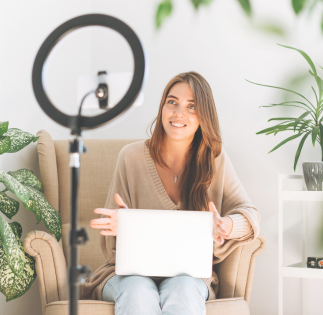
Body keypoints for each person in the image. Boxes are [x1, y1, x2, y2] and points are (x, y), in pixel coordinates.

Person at [81, 71, 261, 315]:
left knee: (182, 288)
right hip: (127, 276)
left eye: (191, 106)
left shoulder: (214, 160)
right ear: (162, 108)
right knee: (138, 290)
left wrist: (226, 225)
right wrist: (123, 225)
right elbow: (112, 246)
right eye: (172, 102)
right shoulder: (130, 157)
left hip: (188, 277)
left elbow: (250, 217)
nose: (178, 113)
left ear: (203, 116)